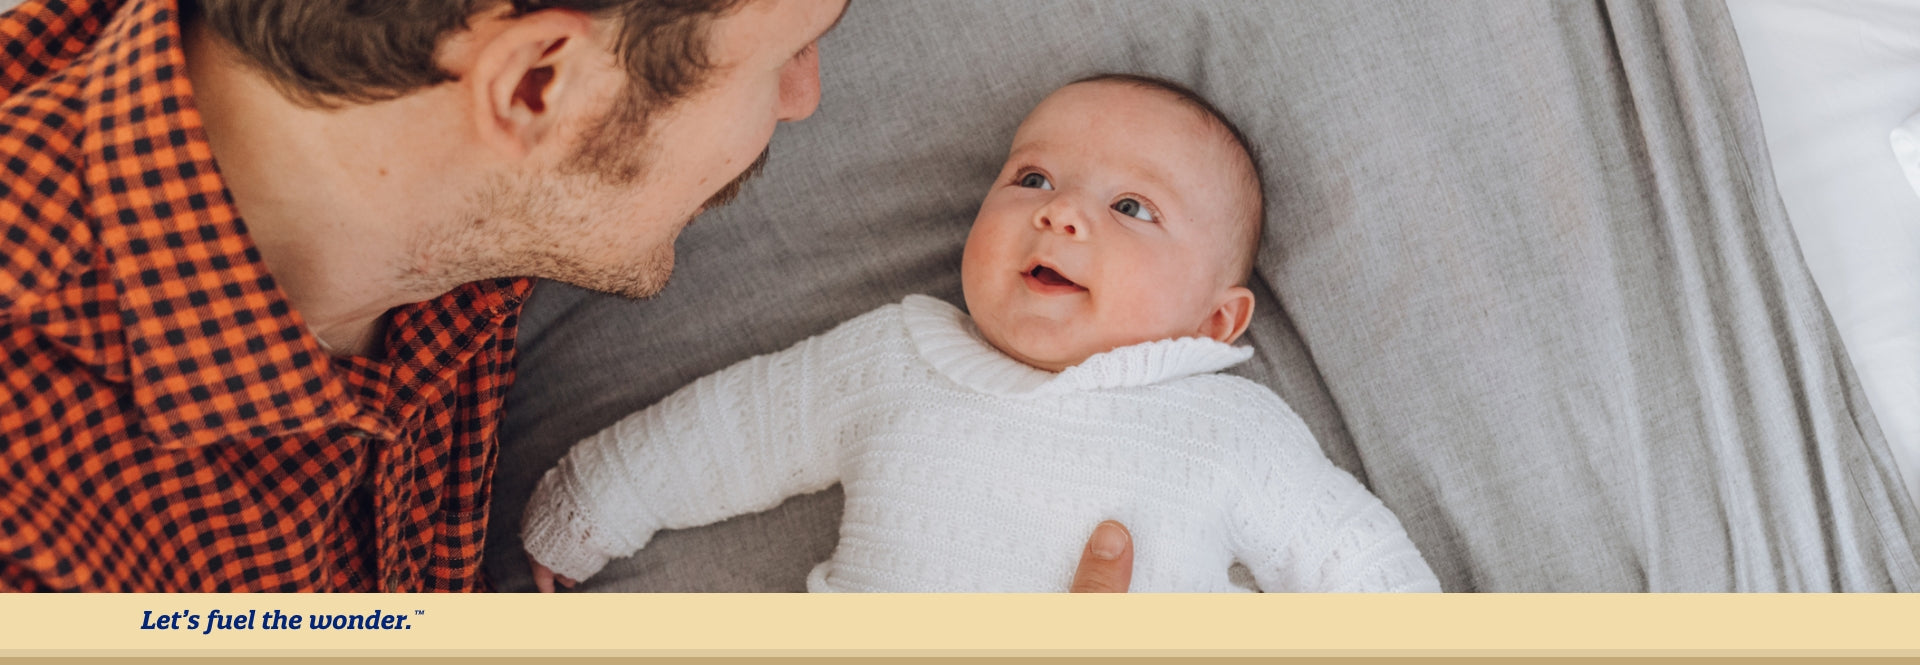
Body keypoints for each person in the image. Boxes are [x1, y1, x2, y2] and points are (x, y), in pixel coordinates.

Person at [0, 0, 1133, 591]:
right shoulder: (56, 560)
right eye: (784, 53)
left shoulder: (409, 172)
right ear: (541, 85)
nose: (805, 100)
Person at [520, 75, 1441, 592]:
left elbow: (1357, 563)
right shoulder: (895, 356)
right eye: (1034, 180)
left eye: (1130, 206)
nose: (1063, 216)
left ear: (1216, 319)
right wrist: (589, 501)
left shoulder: (1231, 429)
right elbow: (734, 427)